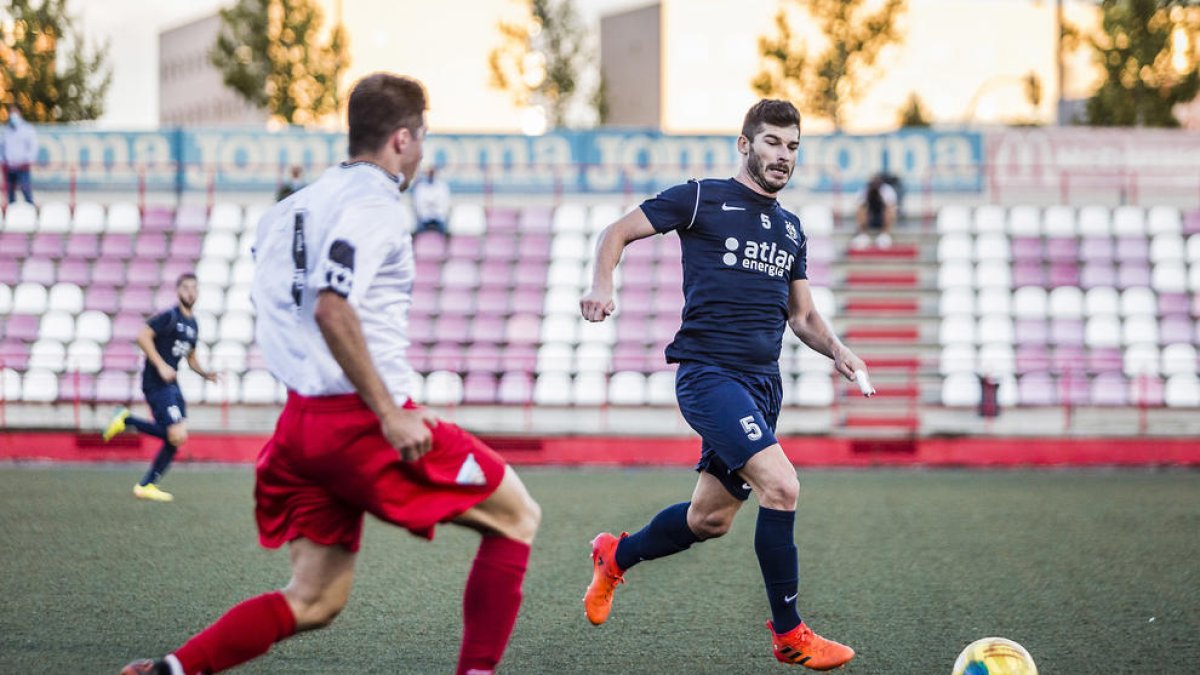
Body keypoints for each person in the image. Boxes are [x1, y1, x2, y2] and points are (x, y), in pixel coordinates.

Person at [120, 73, 540, 675]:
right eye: (422, 138)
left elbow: (289, 306)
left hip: (300, 424)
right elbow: (331, 307)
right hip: (360, 420)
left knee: (314, 599)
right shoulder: (376, 206)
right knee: (517, 516)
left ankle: (171, 670)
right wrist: (389, 411)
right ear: (402, 138)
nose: (422, 152)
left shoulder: (287, 210)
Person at [579, 99, 871, 671]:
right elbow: (617, 231)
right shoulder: (700, 198)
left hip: (763, 386)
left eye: (792, 146)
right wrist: (601, 285)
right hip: (709, 376)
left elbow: (803, 317)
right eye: (772, 142)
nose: (783, 156)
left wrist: (838, 349)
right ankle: (789, 634)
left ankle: (615, 556)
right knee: (782, 486)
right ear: (745, 145)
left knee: (708, 520)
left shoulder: (791, 229)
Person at [103, 273, 217, 502]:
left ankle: (146, 484)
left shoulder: (193, 324)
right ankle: (126, 420)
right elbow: (142, 336)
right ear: (178, 291)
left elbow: (191, 357)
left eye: (194, 288)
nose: (190, 292)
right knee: (176, 434)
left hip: (172, 384)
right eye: (186, 288)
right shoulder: (169, 316)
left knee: (178, 437)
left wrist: (205, 373)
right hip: (156, 382)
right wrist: (161, 365)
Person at [851, 172, 898, 250]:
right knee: (861, 208)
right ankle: (862, 234)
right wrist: (868, 196)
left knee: (890, 209)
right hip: (870, 218)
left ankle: (885, 235)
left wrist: (881, 197)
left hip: (882, 217)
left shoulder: (887, 190)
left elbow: (892, 205)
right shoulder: (865, 190)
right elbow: (857, 204)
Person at [2, 106, 38, 205]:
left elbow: (33, 147)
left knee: (26, 191)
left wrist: (27, 161)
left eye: (15, 112)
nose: (13, 115)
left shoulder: (27, 129)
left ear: (20, 113)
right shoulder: (6, 130)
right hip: (9, 167)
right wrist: (3, 161)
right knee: (10, 193)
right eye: (11, 112)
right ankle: (11, 211)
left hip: (23, 167)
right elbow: (2, 147)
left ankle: (31, 209)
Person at [411, 165, 451, 237]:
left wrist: (434, 208)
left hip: (438, 216)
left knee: (445, 231)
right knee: (417, 232)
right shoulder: (421, 187)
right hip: (424, 217)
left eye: (432, 173)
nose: (431, 175)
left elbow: (445, 203)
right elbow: (418, 203)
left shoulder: (442, 186)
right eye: (429, 173)